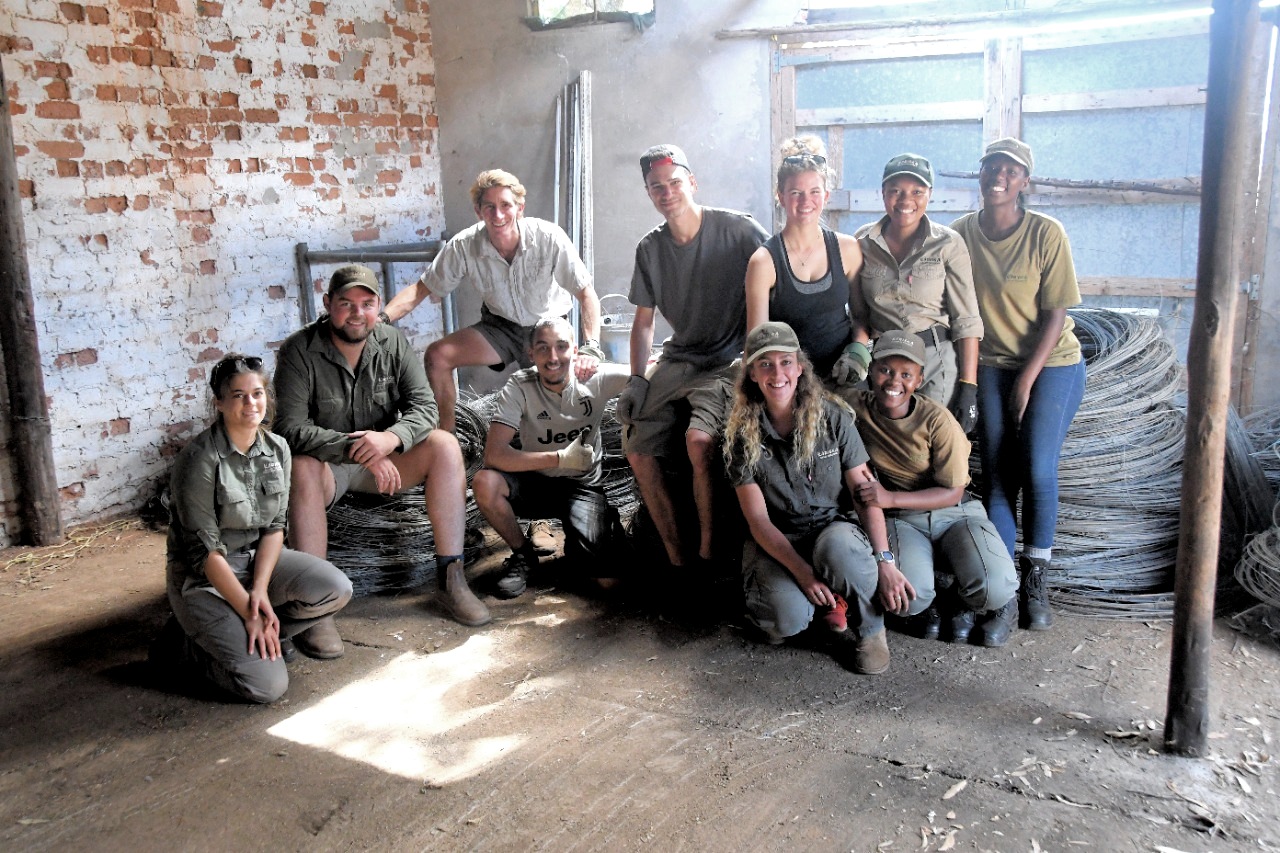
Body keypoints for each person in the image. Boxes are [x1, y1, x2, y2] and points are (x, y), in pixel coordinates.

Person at [275, 264, 490, 629]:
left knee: (444, 445)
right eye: (346, 303)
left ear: (378, 306)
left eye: (367, 303)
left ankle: (451, 578)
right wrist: (358, 450)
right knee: (302, 465)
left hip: (389, 457)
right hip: (330, 466)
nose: (357, 314)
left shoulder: (392, 342)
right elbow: (289, 429)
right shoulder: (299, 350)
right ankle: (316, 604)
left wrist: (389, 439)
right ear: (328, 304)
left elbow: (425, 408)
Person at [156, 354, 353, 703]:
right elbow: (205, 553)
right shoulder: (199, 459)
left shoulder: (278, 449)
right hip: (203, 579)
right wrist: (250, 611)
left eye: (258, 393)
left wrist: (260, 592)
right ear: (219, 402)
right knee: (267, 687)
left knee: (336, 588)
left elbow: (275, 528)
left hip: (255, 564)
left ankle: (262, 634)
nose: (251, 403)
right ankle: (192, 649)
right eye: (238, 395)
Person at [952, 137, 1085, 632]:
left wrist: (1026, 381)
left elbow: (1057, 316)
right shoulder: (962, 233)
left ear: (1024, 182)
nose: (998, 177)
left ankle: (1037, 578)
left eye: (1010, 170)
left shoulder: (1046, 233)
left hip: (1052, 362)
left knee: (1037, 466)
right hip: (990, 362)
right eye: (991, 168)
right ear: (980, 175)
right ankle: (1002, 587)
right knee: (999, 473)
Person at [723, 322, 908, 675]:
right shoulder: (739, 438)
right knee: (784, 620)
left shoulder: (833, 418)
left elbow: (864, 494)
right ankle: (818, 604)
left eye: (786, 362)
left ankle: (871, 629)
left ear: (800, 367)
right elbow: (759, 522)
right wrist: (803, 573)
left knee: (839, 549)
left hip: (832, 530)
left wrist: (885, 560)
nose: (778, 374)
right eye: (765, 364)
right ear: (752, 375)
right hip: (778, 539)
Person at [617, 144, 769, 572]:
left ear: (692, 183)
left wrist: (763, 356)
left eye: (675, 183)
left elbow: (778, 283)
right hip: (681, 357)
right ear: (649, 193)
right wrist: (636, 379)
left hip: (729, 359)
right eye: (657, 187)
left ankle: (707, 556)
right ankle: (677, 558)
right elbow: (644, 322)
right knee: (637, 446)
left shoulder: (738, 231)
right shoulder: (650, 249)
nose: (668, 193)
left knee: (698, 442)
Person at [383, 168, 604, 433]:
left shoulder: (548, 237)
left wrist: (591, 346)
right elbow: (421, 289)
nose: (498, 215)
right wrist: (381, 319)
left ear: (520, 208)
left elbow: (586, 292)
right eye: (489, 207)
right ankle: (449, 440)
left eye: (505, 205)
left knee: (556, 411)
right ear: (478, 211)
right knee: (438, 355)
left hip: (548, 329)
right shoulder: (464, 245)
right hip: (500, 327)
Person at [849, 331, 1019, 646]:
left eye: (905, 374)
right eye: (885, 370)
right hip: (902, 520)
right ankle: (935, 598)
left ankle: (983, 601)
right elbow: (814, 402)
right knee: (907, 598)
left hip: (955, 513)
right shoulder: (855, 407)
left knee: (994, 587)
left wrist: (888, 497)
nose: (893, 381)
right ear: (871, 371)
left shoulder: (938, 422)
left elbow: (952, 492)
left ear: (919, 379)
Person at [472, 316, 631, 598]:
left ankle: (599, 526)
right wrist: (558, 458)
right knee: (485, 482)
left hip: (581, 486)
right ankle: (523, 555)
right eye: (543, 348)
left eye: (561, 347)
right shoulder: (519, 385)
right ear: (530, 354)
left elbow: (648, 372)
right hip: (536, 483)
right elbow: (494, 455)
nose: (553, 357)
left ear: (575, 350)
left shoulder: (596, 378)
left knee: (605, 582)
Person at [852, 153, 983, 432]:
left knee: (930, 438)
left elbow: (967, 319)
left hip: (934, 357)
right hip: (882, 359)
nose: (905, 200)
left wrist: (969, 387)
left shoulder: (948, 244)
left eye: (916, 191)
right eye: (895, 191)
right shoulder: (862, 242)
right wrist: (858, 354)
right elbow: (859, 314)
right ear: (883, 193)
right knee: (882, 440)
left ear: (930, 194)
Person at [744, 135, 864, 383]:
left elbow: (862, 316)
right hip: (787, 383)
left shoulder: (848, 249)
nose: (805, 201)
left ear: (826, 195)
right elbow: (756, 342)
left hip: (842, 376)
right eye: (796, 192)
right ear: (781, 195)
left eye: (814, 192)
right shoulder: (764, 262)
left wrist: (858, 352)